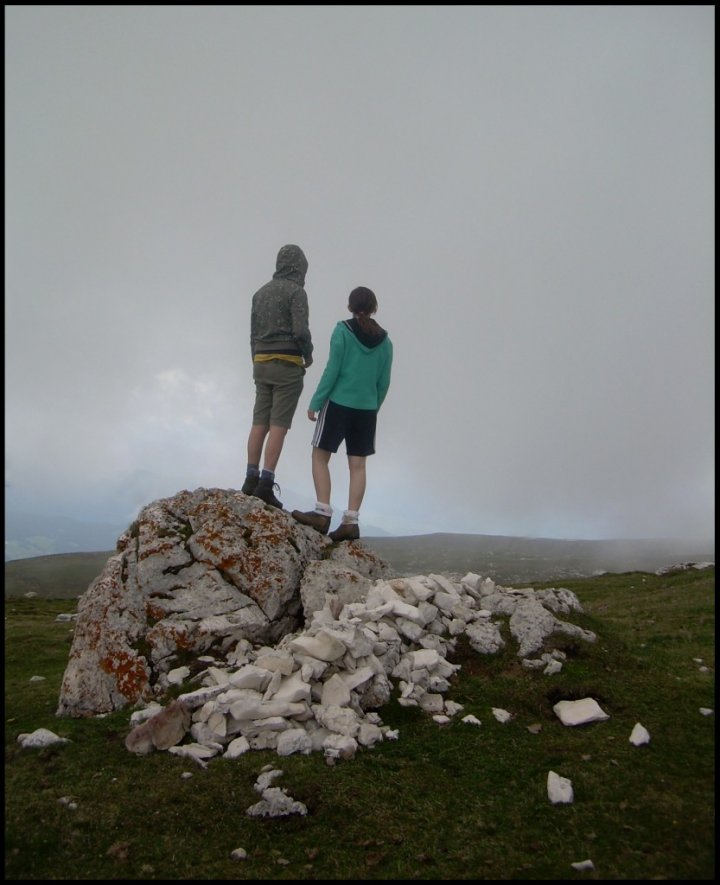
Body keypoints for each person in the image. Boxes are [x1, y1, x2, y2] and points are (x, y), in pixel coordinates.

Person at [292, 286, 393, 541]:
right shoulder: (386, 342)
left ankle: (322, 513)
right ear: (374, 308)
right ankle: (351, 521)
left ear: (350, 306)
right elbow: (384, 382)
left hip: (338, 404)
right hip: (367, 410)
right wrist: (373, 406)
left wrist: (315, 402)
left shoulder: (342, 331)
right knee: (358, 466)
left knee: (319, 456)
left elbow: (332, 370)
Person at [241, 244, 313, 508]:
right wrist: (309, 354)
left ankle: (250, 478)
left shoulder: (259, 294)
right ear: (300, 267)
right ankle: (266, 484)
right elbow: (301, 331)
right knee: (278, 425)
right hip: (287, 364)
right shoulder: (297, 292)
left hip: (260, 361)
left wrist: (255, 360)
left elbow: (252, 333)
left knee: (259, 421)